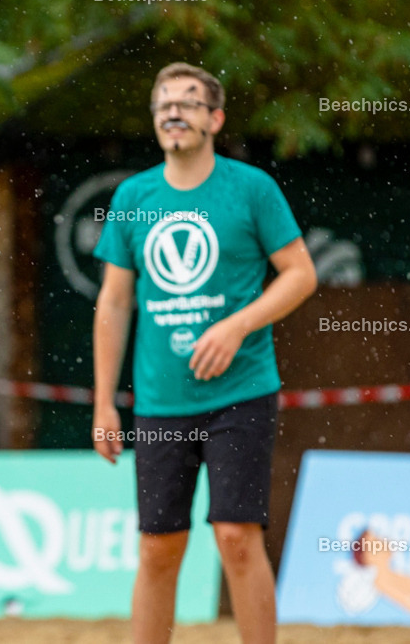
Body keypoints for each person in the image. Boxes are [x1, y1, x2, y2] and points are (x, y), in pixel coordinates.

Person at [91, 63, 318, 644]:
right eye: (164, 103)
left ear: (214, 119)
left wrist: (236, 326)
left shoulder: (251, 189)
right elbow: (115, 303)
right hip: (160, 403)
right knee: (158, 546)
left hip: (240, 393)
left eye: (189, 103)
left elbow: (299, 274)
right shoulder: (133, 196)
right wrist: (104, 405)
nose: (175, 112)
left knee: (237, 536)